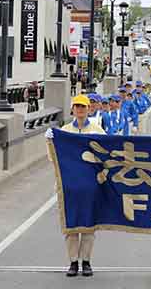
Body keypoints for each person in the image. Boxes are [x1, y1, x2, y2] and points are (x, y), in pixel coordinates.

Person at [45, 94, 105, 277]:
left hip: (89, 185)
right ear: (72, 109)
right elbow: (53, 158)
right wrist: (50, 142)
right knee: (71, 225)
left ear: (89, 109)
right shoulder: (65, 131)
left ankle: (86, 261)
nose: (80, 110)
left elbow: (105, 156)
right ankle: (73, 262)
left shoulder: (97, 130)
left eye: (83, 107)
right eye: (77, 106)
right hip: (69, 185)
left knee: (88, 225)